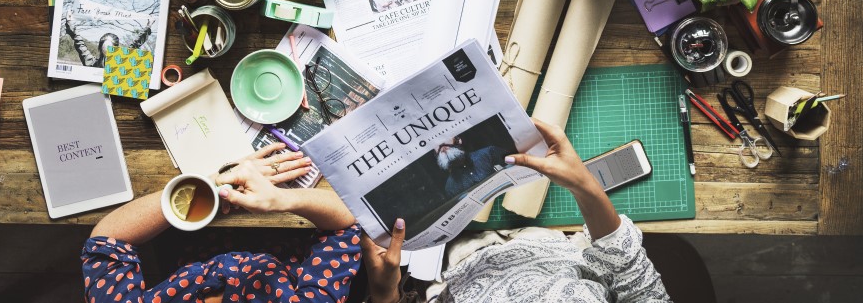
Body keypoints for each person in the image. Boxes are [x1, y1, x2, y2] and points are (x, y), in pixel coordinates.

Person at [363, 120, 670, 302]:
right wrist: (585, 187)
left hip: (451, 264)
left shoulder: (483, 156)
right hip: (549, 246)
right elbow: (636, 279)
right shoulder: (461, 175)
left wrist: (385, 294)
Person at [82, 145, 362, 303]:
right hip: (287, 229)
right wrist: (279, 199)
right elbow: (344, 228)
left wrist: (210, 183)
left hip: (187, 230)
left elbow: (106, 242)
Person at [435, 136, 508, 198]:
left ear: (458, 140)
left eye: (443, 136)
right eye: (434, 142)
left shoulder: (490, 152)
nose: (441, 144)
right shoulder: (450, 187)